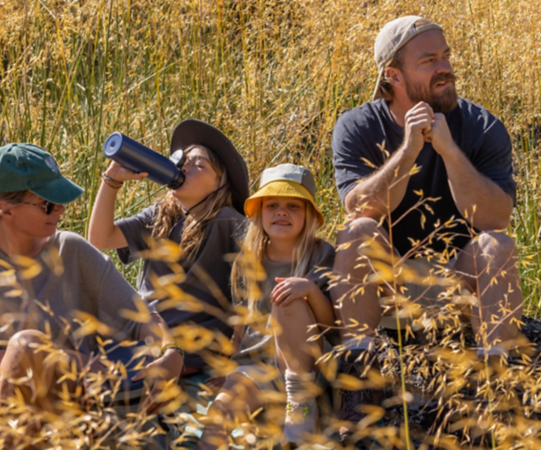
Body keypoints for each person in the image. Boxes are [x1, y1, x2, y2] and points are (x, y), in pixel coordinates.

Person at [0, 143, 184, 446]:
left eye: (60, 199)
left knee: (27, 346)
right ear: (5, 208)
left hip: (64, 411)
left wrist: (171, 352)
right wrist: (75, 360)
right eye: (47, 203)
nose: (60, 209)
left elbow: (143, 318)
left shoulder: (72, 250)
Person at [331, 15, 524, 442]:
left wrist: (450, 151)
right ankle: (359, 390)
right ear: (393, 75)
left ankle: (494, 394)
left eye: (446, 56)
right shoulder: (357, 126)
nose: (445, 68)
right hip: (389, 284)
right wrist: (408, 149)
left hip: (457, 281)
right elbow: (358, 206)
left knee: (497, 245)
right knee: (357, 232)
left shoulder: (480, 125)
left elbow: (496, 218)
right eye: (429, 60)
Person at [88, 119, 249, 437]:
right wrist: (112, 180)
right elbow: (99, 238)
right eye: (182, 159)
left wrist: (234, 355)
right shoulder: (160, 215)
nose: (184, 165)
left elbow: (249, 293)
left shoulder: (229, 221)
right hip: (145, 334)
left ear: (220, 184)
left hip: (191, 348)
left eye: (198, 163)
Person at [197, 164, 335, 449]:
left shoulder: (321, 254)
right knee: (218, 416)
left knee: (286, 298)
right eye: (272, 204)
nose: (281, 212)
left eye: (293, 206)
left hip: (306, 362)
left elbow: (330, 324)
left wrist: (308, 289)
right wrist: (229, 368)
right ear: (259, 213)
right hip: (256, 364)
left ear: (309, 214)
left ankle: (300, 404)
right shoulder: (247, 262)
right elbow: (241, 322)